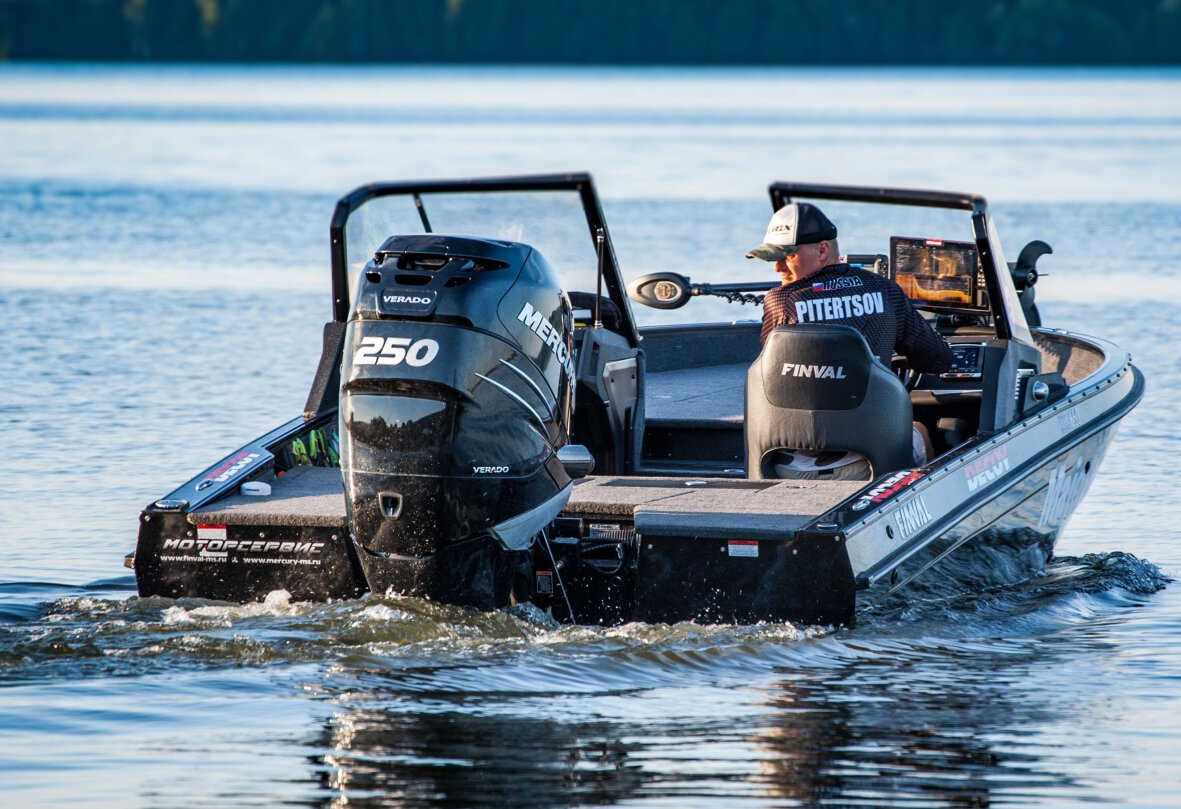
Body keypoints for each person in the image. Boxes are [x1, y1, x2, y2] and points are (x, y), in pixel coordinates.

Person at [746, 202, 953, 474]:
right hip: (868, 463)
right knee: (920, 430)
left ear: (822, 250)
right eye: (773, 257)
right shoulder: (885, 291)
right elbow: (940, 359)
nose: (777, 267)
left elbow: (771, 372)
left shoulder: (780, 300)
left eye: (787, 255)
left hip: (788, 467)